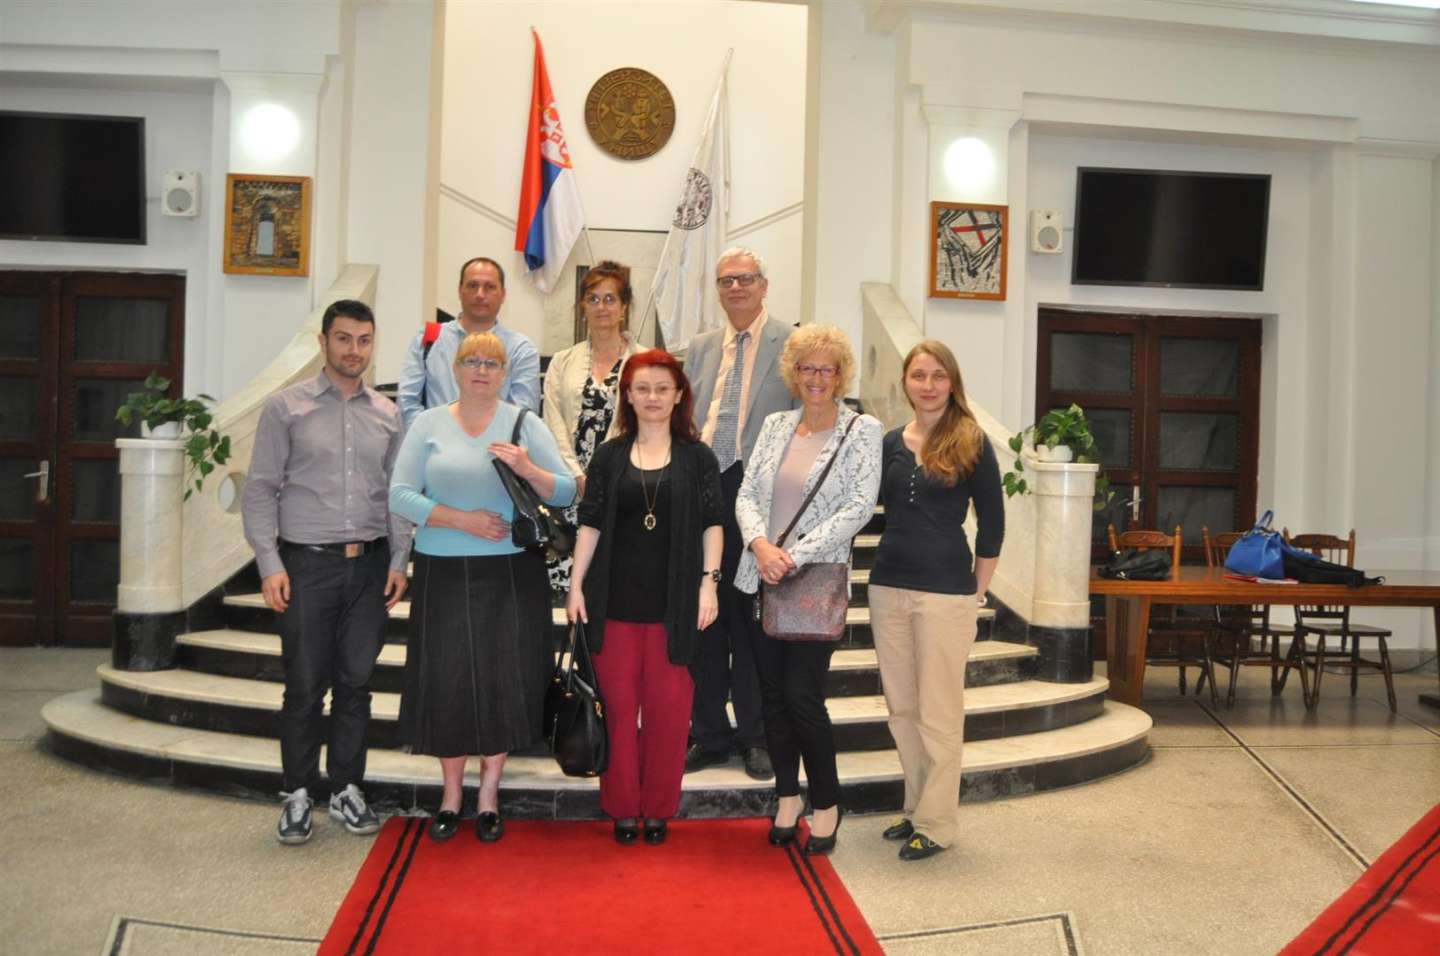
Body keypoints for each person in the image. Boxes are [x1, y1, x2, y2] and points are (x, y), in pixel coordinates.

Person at [388, 331, 575, 843]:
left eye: (492, 363)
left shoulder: (523, 423)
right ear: (454, 369)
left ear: (505, 373)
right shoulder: (428, 423)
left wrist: (528, 467)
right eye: (471, 361)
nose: (481, 371)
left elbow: (566, 490)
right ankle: (451, 795)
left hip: (510, 574)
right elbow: (399, 494)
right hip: (443, 571)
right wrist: (459, 519)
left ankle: (489, 794)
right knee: (446, 680)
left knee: (501, 679)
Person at [241, 298, 411, 846]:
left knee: (356, 684)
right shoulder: (285, 408)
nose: (354, 350)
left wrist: (400, 559)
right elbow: (260, 490)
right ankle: (297, 792)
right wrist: (269, 563)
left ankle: (345, 788)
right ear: (323, 342)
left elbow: (397, 494)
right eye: (343, 338)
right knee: (305, 686)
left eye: (364, 340)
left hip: (370, 569)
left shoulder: (387, 413)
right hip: (306, 566)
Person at [734, 325, 882, 855]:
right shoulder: (776, 424)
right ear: (793, 374)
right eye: (807, 368)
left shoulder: (862, 430)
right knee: (771, 696)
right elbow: (747, 492)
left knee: (803, 697)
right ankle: (786, 795)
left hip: (814, 581)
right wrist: (759, 545)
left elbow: (859, 506)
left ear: (841, 375)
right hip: (759, 576)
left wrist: (792, 555)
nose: (816, 378)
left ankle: (827, 801)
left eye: (827, 369)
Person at [566, 349, 723, 846]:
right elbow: (590, 523)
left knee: (669, 715)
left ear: (678, 395)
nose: (652, 397)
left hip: (674, 609)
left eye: (662, 388)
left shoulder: (698, 457)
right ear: (628, 397)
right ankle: (621, 807)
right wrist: (575, 584)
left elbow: (713, 523)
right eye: (642, 389)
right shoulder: (609, 456)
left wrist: (709, 583)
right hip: (612, 606)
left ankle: (657, 809)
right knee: (616, 710)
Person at [868, 340, 1004, 861]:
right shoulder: (889, 442)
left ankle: (938, 822)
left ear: (953, 382)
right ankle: (915, 807)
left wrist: (977, 591)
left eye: (938, 376)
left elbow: (993, 525)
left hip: (946, 591)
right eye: (919, 375)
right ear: (905, 381)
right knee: (902, 709)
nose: (928, 386)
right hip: (887, 586)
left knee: (938, 712)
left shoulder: (972, 441)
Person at [683, 246, 796, 781]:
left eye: (745, 279)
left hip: (759, 495)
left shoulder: (790, 344)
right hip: (705, 487)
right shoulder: (701, 347)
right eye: (726, 280)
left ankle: (755, 736)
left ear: (764, 285)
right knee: (704, 618)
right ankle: (708, 732)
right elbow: (687, 415)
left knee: (751, 623)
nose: (736, 288)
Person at [542, 260, 639, 593]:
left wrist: (604, 479)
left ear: (624, 307)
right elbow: (553, 423)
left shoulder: (644, 361)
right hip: (571, 489)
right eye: (593, 299)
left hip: (625, 487)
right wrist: (579, 477)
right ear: (582, 306)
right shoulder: (562, 362)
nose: (602, 307)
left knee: (617, 586)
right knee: (571, 590)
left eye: (610, 299)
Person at [396, 257, 541, 427]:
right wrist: (429, 436)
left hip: (498, 443)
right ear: (460, 291)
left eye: (490, 287)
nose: (480, 294)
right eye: (472, 286)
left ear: (503, 295)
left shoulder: (521, 349)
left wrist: (483, 440)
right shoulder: (429, 338)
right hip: (432, 441)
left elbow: (523, 414)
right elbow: (407, 402)